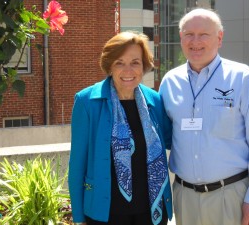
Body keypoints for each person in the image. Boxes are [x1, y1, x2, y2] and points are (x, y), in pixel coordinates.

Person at [159, 8, 249, 225]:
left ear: (219, 38)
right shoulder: (169, 82)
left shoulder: (243, 78)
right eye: (188, 34)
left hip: (232, 197)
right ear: (181, 37)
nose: (195, 41)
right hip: (185, 197)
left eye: (204, 34)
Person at [68, 31, 172, 225]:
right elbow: (77, 164)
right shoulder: (87, 101)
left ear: (144, 66)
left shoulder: (155, 101)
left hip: (152, 213)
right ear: (109, 66)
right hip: (105, 214)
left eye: (135, 62)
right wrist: (79, 217)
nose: (128, 70)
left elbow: (174, 141)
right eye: (119, 63)